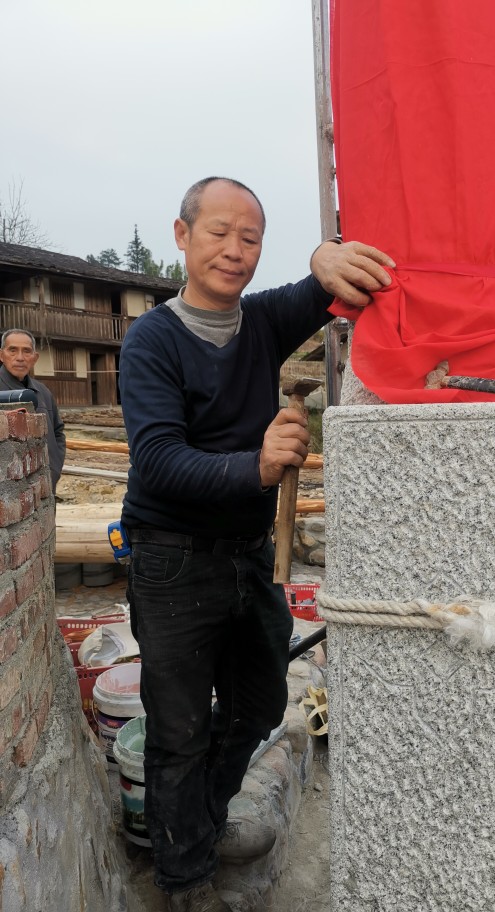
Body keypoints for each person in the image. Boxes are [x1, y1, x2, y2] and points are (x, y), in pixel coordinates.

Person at [118, 176, 395, 912]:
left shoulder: (263, 321)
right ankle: (184, 882)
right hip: (172, 559)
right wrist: (258, 466)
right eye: (219, 233)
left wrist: (325, 255)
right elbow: (158, 459)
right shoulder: (152, 340)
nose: (234, 251)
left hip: (247, 555)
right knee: (178, 729)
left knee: (260, 704)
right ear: (183, 236)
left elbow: (325, 281)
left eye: (250, 238)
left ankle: (202, 823)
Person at [0, 328, 66, 492]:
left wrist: (54, 469)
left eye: (26, 351)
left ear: (35, 358)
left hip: (45, 487)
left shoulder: (43, 391)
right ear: (1, 355)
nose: (20, 358)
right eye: (12, 350)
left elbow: (58, 432)